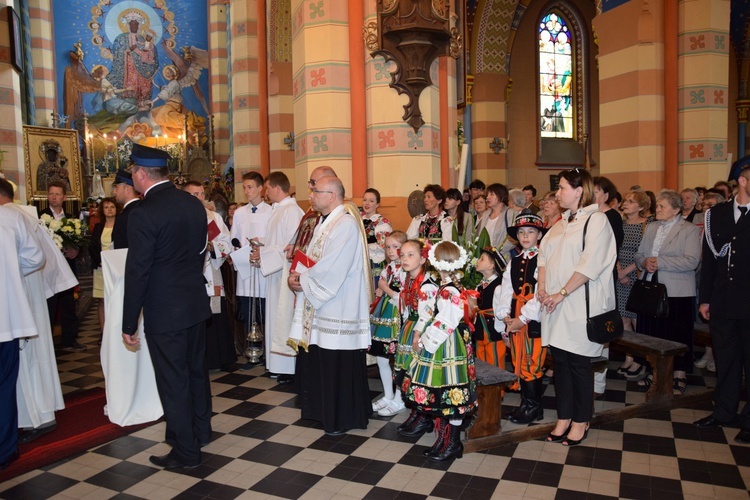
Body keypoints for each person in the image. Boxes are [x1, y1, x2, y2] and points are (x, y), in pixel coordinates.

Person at [121, 143, 212, 469]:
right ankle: (201, 432)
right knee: (196, 373)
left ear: (142, 174)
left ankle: (186, 452)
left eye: (132, 171)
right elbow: (202, 250)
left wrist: (129, 322)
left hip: (165, 311)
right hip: (194, 304)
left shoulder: (144, 213)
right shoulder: (192, 203)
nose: (132, 176)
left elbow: (138, 271)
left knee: (173, 381)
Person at [287, 176, 372, 435]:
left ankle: (341, 417)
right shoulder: (326, 223)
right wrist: (298, 274)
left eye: (316, 192)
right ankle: (323, 412)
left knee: (337, 361)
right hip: (325, 304)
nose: (310, 196)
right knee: (323, 358)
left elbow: (333, 267)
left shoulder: (344, 224)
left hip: (338, 305)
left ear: (332, 195)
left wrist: (303, 279)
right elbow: (315, 260)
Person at [537, 168, 617, 446]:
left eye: (561, 188)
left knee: (579, 364)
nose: (557, 194)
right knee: (561, 363)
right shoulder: (562, 222)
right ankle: (564, 417)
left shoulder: (597, 221)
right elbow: (543, 256)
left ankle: (581, 420)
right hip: (556, 305)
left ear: (579, 190)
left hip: (580, 305)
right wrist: (542, 287)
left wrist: (561, 293)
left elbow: (590, 264)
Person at [0, 180, 67, 445]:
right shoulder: (22, 216)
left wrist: (11, 274)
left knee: (24, 360)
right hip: (22, 294)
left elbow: (35, 258)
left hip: (21, 296)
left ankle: (36, 417)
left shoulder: (14, 216)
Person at [402, 241, 478, 462]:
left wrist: (426, 340)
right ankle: (445, 440)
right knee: (444, 393)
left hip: (448, 345)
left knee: (452, 393)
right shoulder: (446, 287)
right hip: (445, 344)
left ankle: (452, 442)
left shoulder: (449, 290)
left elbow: (446, 322)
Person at [694, 166, 750, 443]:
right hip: (723, 301)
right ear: (742, 181)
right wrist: (705, 298)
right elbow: (710, 262)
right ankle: (724, 411)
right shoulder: (716, 214)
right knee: (726, 359)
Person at [633, 190, 701, 395]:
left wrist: (660, 262)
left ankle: (679, 374)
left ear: (676, 209)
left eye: (662, 206)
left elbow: (692, 261)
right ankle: (656, 373)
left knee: (677, 333)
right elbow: (639, 254)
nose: (658, 209)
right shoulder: (652, 227)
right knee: (653, 332)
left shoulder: (688, 230)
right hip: (651, 286)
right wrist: (643, 262)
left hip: (677, 290)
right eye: (658, 205)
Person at [0, 204, 45, 471]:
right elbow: (35, 257)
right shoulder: (11, 216)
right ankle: (4, 449)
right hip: (5, 320)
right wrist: (12, 274)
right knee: (5, 384)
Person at [495, 211, 546, 425]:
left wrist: (523, 318)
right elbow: (507, 287)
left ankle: (534, 407)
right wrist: (505, 314)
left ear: (539, 235)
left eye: (531, 232)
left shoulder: (544, 261)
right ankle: (526, 405)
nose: (526, 236)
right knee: (517, 359)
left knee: (531, 360)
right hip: (516, 314)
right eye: (522, 232)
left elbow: (541, 294)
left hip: (533, 318)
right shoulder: (514, 260)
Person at [256, 172, 304, 384]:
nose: (265, 193)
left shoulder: (292, 211)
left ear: (277, 188)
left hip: (284, 274)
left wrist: (265, 253)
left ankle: (287, 367)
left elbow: (290, 246)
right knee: (274, 318)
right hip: (274, 274)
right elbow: (278, 241)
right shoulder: (280, 210)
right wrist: (261, 246)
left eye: (267, 188)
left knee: (282, 318)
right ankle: (275, 364)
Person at [182, 181, 235, 371]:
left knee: (215, 315)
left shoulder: (213, 218)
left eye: (201, 194)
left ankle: (218, 358)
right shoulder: (180, 218)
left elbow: (226, 243)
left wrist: (213, 247)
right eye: (194, 194)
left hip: (210, 271)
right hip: (189, 276)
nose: (200, 198)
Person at [393, 239, 438, 438]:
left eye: (411, 254)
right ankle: (416, 412)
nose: (405, 258)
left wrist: (418, 335)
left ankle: (424, 417)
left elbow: (427, 314)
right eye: (402, 254)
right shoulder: (408, 279)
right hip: (410, 327)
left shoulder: (427, 283)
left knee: (418, 375)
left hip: (421, 330)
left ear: (422, 258)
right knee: (406, 374)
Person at [230, 172, 272, 363]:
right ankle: (251, 350)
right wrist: (237, 251)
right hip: (245, 267)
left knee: (264, 311)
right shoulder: (240, 213)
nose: (246, 191)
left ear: (260, 188)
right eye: (244, 187)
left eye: (250, 187)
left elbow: (273, 240)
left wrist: (261, 247)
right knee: (248, 311)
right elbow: (234, 239)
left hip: (263, 268)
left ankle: (267, 351)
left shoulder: (270, 212)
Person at [41, 181, 83, 352]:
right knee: (48, 305)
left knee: (68, 304)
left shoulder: (71, 219)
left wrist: (76, 250)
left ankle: (69, 340)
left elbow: (79, 241)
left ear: (64, 197)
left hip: (67, 266)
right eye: (51, 194)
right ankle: (47, 343)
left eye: (57, 194)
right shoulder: (40, 217)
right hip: (47, 269)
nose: (53, 197)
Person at [370, 231, 408, 417]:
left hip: (399, 318)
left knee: (399, 359)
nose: (391, 250)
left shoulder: (406, 269)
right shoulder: (389, 268)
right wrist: (380, 290)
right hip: (385, 315)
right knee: (382, 357)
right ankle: (388, 394)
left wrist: (385, 288)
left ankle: (399, 398)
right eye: (387, 247)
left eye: (395, 246)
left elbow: (405, 298)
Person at [592, 176, 624, 398]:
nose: (592, 195)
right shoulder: (587, 216)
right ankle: (587, 377)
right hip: (586, 280)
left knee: (601, 328)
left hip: (602, 280)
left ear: (605, 195)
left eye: (596, 191)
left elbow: (610, 250)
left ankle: (598, 383)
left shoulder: (611, 217)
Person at [614, 190, 651, 379]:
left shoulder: (647, 225)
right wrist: (619, 271)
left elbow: (645, 252)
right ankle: (629, 357)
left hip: (637, 275)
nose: (626, 203)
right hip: (620, 275)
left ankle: (641, 359)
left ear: (642, 207)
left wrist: (627, 271)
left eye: (631, 201)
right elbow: (614, 248)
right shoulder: (620, 224)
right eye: (625, 200)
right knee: (623, 319)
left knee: (637, 319)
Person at [472, 248, 506, 367]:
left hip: (493, 330)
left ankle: (498, 385)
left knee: (495, 361)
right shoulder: (481, 285)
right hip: (481, 329)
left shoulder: (499, 285)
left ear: (491, 265)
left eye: (482, 259)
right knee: (481, 361)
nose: (478, 261)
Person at [90, 198, 119, 333]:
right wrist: (100, 260)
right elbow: (93, 246)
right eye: (106, 207)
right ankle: (104, 332)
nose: (109, 209)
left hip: (116, 268)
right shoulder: (99, 227)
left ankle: (117, 331)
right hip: (101, 268)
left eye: (112, 207)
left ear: (116, 209)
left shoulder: (121, 226)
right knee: (101, 300)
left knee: (117, 299)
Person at [477, 183, 518, 260]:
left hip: (502, 257)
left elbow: (513, 238)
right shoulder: (486, 214)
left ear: (501, 196)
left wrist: (496, 253)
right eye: (487, 194)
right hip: (485, 258)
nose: (487, 197)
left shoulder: (510, 213)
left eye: (491, 194)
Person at [361, 188, 393, 286]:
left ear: (377, 204)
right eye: (365, 200)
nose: (367, 203)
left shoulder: (382, 222)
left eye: (371, 201)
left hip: (375, 264)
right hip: (361, 263)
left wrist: (362, 247)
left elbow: (383, 245)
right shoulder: (358, 220)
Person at [111, 168, 140, 249]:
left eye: (116, 188)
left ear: (127, 189)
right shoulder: (143, 208)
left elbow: (121, 248)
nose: (114, 192)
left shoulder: (126, 215)